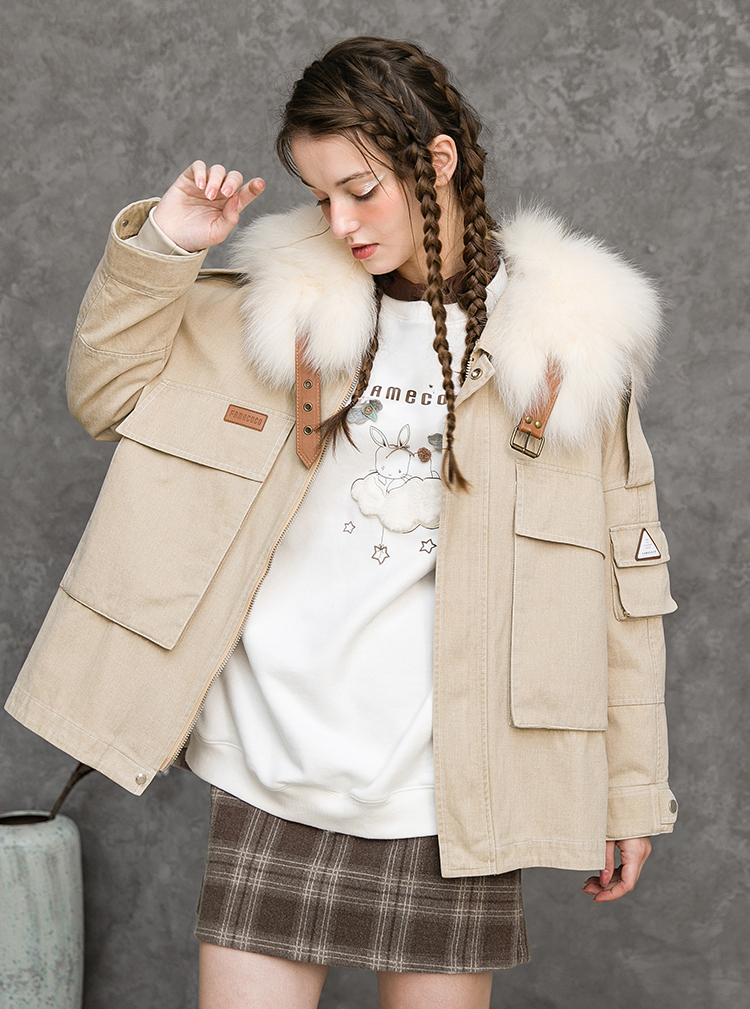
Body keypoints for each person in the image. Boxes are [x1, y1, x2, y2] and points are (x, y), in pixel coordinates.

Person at [5, 36, 679, 1009]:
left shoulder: (568, 355)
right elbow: (104, 395)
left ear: (437, 161)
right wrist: (170, 245)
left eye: (361, 190)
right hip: (270, 772)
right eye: (321, 197)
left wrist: (632, 792)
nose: (341, 223)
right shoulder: (275, 314)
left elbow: (624, 591)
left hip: (453, 793)